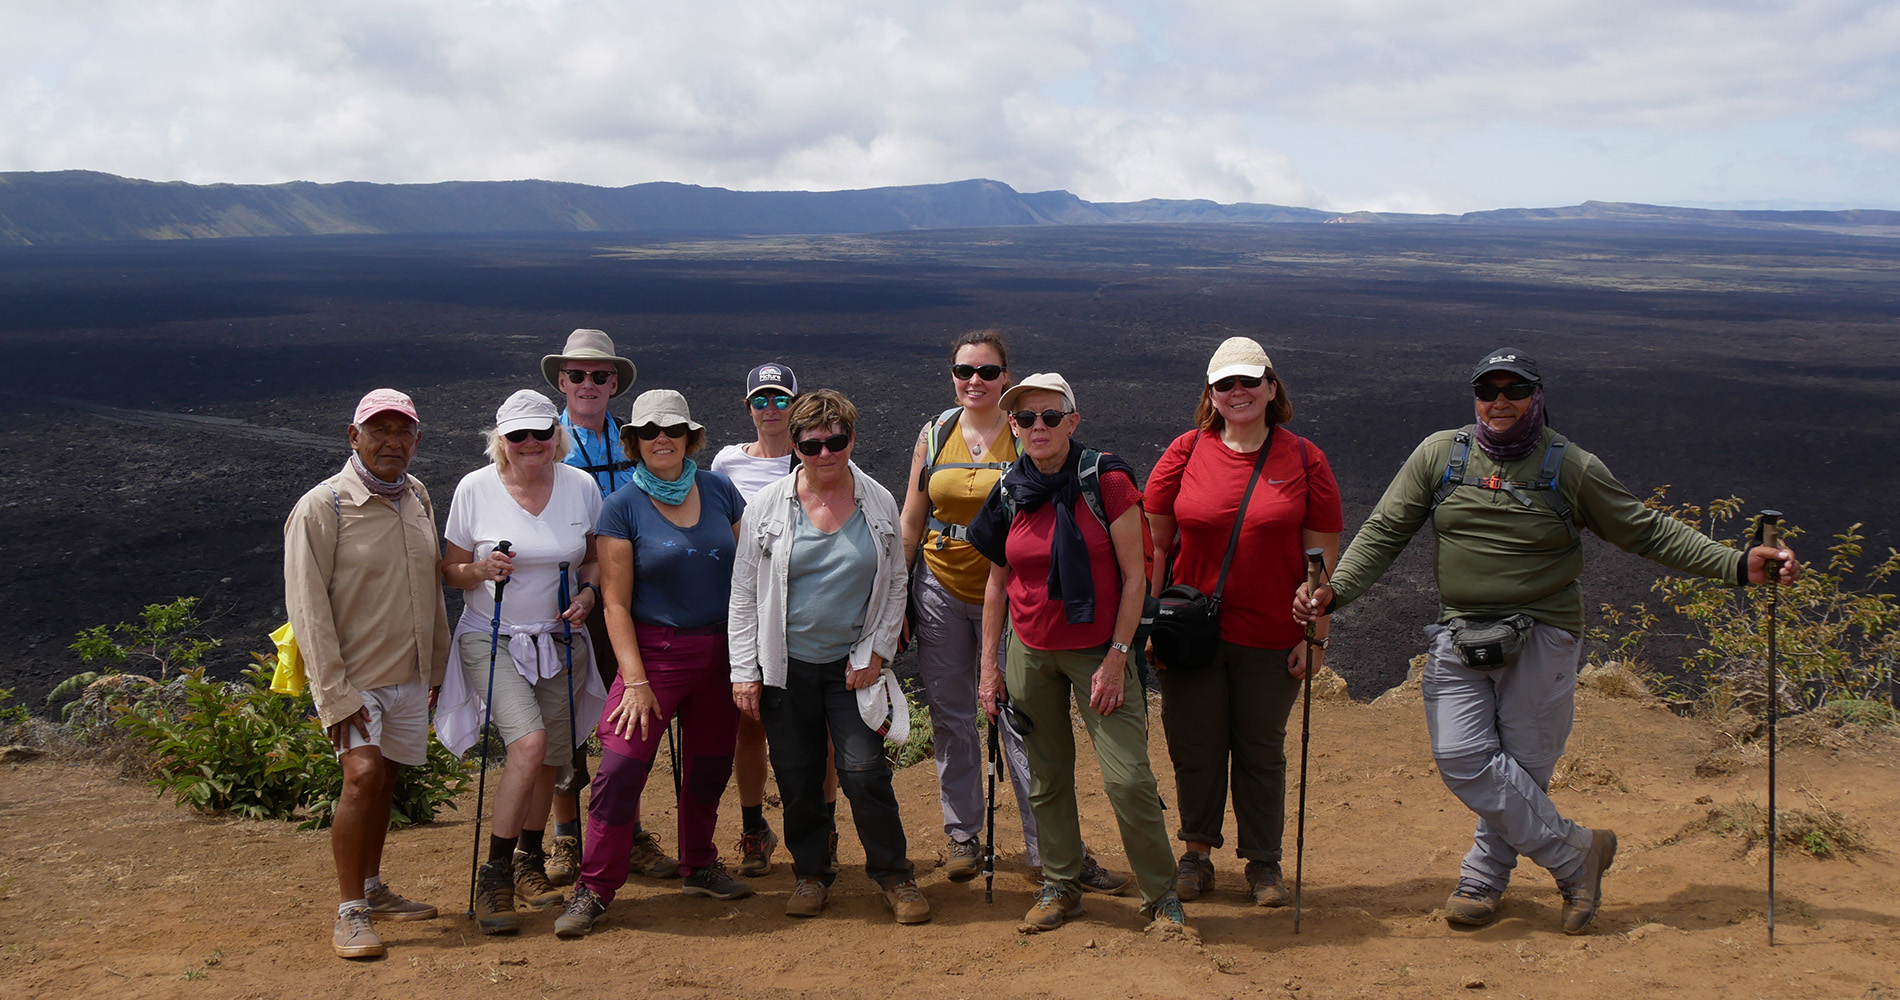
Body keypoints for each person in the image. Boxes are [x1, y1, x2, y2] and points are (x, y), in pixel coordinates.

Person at [1294, 347, 1801, 935]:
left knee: (1524, 767)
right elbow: (1383, 531)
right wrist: (1335, 591)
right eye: (1489, 390)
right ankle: (1577, 854)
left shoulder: (1569, 466)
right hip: (1461, 633)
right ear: (1475, 397)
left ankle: (1482, 879)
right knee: (1463, 758)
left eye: (1515, 390)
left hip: (1545, 633)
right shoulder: (1441, 455)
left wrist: (1739, 567)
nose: (1500, 402)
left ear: (1538, 397)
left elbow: (1645, 529)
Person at [897, 330, 1127, 892]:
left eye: (988, 371)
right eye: (964, 370)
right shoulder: (934, 433)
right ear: (951, 375)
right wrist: (896, 597)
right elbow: (911, 517)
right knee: (952, 716)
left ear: (1006, 379)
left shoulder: (1028, 430)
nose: (974, 380)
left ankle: (1046, 848)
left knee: (1020, 720)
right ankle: (962, 836)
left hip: (1017, 595)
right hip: (940, 588)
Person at [968, 373, 1182, 932]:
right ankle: (1061, 885)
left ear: (1073, 421)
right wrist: (989, 668)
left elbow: (1137, 577)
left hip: (1097, 652)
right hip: (1030, 651)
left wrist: (1117, 656)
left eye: (1050, 416)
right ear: (1013, 426)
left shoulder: (1105, 480)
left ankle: (1162, 897)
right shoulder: (1011, 486)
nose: (1038, 427)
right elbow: (997, 583)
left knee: (1128, 778)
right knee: (1047, 775)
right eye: (1025, 418)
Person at [1145, 337, 1343, 908]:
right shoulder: (1185, 452)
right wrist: (1151, 625)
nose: (1238, 392)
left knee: (1260, 748)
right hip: (1190, 633)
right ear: (1210, 393)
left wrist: (1317, 639)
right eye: (1225, 384)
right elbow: (1154, 546)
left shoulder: (1305, 460)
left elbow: (1321, 564)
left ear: (1271, 387)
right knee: (1194, 744)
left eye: (1249, 381)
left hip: (1272, 635)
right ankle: (1197, 854)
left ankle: (1264, 864)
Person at [555, 389, 752, 937]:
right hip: (654, 657)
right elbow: (614, 602)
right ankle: (593, 887)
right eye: (648, 432)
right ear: (634, 441)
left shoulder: (718, 490)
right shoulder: (621, 507)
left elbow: (747, 576)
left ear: (691, 436)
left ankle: (699, 863)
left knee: (711, 765)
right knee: (619, 768)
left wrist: (748, 656)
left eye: (672, 429)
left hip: (720, 652)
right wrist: (634, 680)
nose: (660, 439)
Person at [729, 390, 929, 924]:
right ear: (794, 445)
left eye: (835, 441)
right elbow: (745, 591)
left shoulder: (878, 501)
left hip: (852, 667)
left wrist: (880, 653)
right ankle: (811, 874)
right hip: (784, 667)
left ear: (851, 439)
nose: (825, 454)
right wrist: (744, 670)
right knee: (796, 776)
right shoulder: (767, 507)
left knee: (863, 771)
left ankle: (894, 874)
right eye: (811, 444)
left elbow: (894, 584)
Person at [283, 388, 450, 959]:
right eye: (378, 431)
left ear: (417, 440)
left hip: (407, 673)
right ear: (353, 438)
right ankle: (350, 911)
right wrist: (333, 694)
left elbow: (429, 587)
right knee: (361, 776)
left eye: (402, 432)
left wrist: (436, 667)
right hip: (353, 679)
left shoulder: (419, 496)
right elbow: (307, 609)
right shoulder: (322, 507)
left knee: (387, 779)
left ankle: (374, 889)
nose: (391, 442)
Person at [433, 389, 608, 934]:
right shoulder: (475, 489)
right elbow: (449, 570)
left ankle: (531, 862)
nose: (530, 444)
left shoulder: (580, 486)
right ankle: (495, 876)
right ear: (500, 441)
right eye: (518, 436)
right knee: (528, 744)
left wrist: (588, 596)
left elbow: (597, 560)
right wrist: (481, 571)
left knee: (553, 758)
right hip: (492, 634)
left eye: (540, 433)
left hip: (559, 637)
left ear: (554, 437)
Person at [538, 328, 675, 884]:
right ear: (562, 381)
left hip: (632, 599)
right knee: (567, 717)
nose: (588, 384)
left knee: (628, 717)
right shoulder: (543, 442)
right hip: (569, 601)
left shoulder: (633, 438)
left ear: (614, 382)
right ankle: (567, 839)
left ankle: (627, 832)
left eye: (599, 375)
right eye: (577, 375)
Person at [709, 362, 837, 876]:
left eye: (781, 400)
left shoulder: (819, 456)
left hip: (807, 608)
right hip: (750, 607)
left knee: (824, 728)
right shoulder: (725, 464)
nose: (770, 410)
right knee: (750, 722)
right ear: (747, 408)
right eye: (761, 401)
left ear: (797, 404)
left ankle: (824, 827)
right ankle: (752, 826)